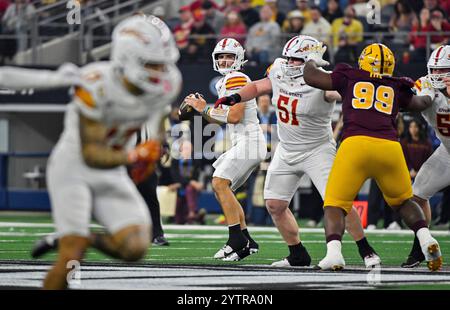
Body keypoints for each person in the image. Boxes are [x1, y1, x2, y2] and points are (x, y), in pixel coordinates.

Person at [1, 15, 182, 288]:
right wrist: (134, 156)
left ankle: (81, 236)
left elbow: (155, 120)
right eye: (152, 63)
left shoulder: (166, 84)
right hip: (73, 169)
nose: (161, 70)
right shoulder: (97, 86)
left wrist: (154, 146)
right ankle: (72, 242)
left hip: (112, 170)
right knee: (71, 258)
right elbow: (92, 154)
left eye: (164, 62)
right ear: (126, 58)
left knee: (135, 248)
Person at [213, 35, 381, 268]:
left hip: (317, 149)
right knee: (274, 204)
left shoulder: (325, 81)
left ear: (311, 61)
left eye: (297, 60)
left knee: (338, 201)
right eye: (289, 59)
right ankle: (297, 254)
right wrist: (235, 96)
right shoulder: (280, 69)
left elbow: (345, 96)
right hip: (287, 148)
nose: (290, 64)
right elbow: (259, 86)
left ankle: (365, 249)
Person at [302, 42, 442, 271]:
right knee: (404, 201)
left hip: (355, 145)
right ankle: (425, 237)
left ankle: (334, 253)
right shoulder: (396, 85)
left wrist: (312, 59)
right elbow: (419, 104)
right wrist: (427, 91)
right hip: (389, 147)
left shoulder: (350, 76)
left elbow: (312, 78)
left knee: (335, 205)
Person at [184, 38, 267, 261]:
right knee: (223, 188)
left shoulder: (237, 78)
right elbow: (220, 120)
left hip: (249, 141)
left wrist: (205, 108)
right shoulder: (228, 80)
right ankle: (247, 240)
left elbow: (235, 116)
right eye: (220, 56)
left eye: (229, 56)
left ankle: (236, 238)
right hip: (244, 142)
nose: (224, 60)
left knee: (220, 183)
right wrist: (199, 110)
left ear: (238, 58)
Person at [401, 45, 450, 268]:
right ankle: (420, 248)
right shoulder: (427, 83)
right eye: (434, 70)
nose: (437, 76)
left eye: (443, 71)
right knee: (417, 197)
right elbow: (419, 100)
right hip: (447, 153)